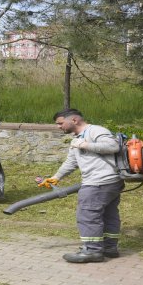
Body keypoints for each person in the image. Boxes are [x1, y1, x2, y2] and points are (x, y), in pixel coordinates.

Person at [39, 109, 124, 263]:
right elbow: (71, 162)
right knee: (109, 214)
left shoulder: (95, 131)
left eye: (60, 123)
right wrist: (56, 177)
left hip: (99, 182)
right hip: (107, 182)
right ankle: (109, 248)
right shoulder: (76, 139)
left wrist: (85, 144)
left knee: (87, 215)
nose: (59, 127)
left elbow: (112, 146)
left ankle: (92, 251)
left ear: (75, 120)